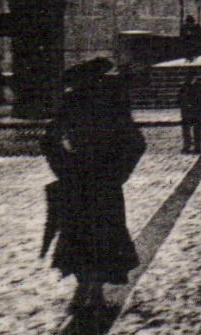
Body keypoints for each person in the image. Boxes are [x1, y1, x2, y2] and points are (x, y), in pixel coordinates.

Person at [41, 58, 145, 311]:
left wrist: (63, 166)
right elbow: (136, 143)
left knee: (79, 235)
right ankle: (92, 288)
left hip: (82, 181)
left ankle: (88, 287)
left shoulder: (76, 104)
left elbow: (49, 142)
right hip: (100, 182)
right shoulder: (111, 104)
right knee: (100, 235)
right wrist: (119, 172)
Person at [176, 71, 201, 155]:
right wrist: (183, 107)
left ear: (194, 77)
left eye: (190, 77)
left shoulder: (200, 87)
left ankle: (198, 147)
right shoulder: (183, 87)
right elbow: (179, 99)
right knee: (186, 131)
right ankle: (187, 146)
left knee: (197, 130)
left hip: (196, 112)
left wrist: (200, 109)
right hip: (186, 112)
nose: (188, 79)